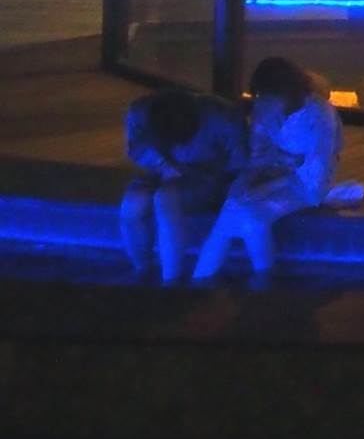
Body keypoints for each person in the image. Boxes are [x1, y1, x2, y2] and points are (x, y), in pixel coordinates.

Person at [191, 58, 346, 285]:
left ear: (287, 89)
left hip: (305, 184)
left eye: (268, 94)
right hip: (270, 172)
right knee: (233, 206)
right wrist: (254, 179)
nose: (262, 101)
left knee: (250, 217)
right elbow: (259, 152)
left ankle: (259, 279)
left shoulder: (320, 116)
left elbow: (315, 171)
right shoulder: (266, 107)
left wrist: (272, 180)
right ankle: (204, 279)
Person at [120, 85, 245, 283]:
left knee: (166, 197)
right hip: (161, 171)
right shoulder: (140, 112)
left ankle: (171, 279)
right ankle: (141, 269)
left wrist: (197, 174)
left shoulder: (223, 116)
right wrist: (163, 165)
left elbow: (239, 162)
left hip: (209, 176)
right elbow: (135, 149)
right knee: (133, 202)